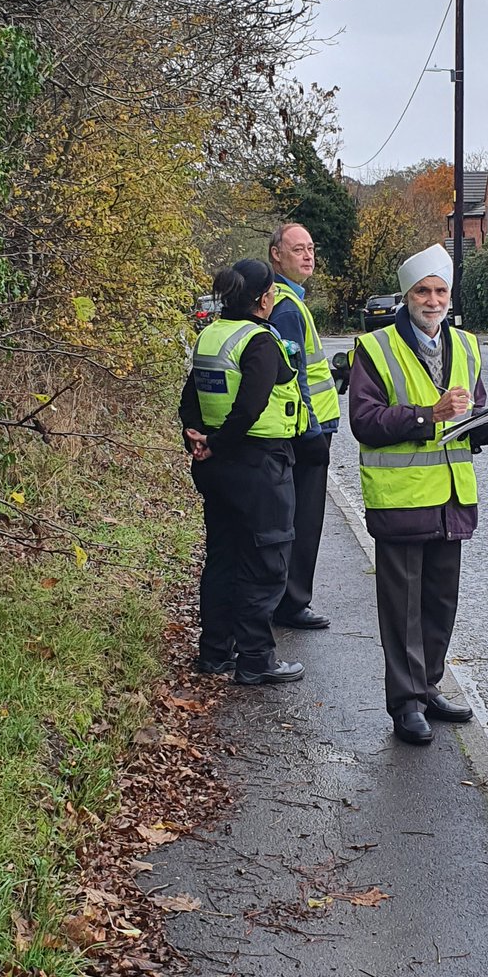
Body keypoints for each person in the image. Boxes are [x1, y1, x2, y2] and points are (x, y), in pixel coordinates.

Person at [348, 244, 488, 745]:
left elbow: (471, 407)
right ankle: (406, 701)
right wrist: (427, 414)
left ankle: (429, 685)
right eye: (422, 292)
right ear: (406, 296)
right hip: (400, 497)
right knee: (401, 604)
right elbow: (364, 423)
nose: (432, 300)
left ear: (449, 297)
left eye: (439, 291)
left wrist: (482, 424)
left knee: (440, 600)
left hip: (451, 496)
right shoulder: (374, 349)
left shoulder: (469, 345)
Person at [179, 259, 308, 685]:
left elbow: (190, 399)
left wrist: (197, 439)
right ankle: (256, 659)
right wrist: (216, 442)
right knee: (265, 561)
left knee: (224, 556)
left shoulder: (211, 336)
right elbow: (250, 408)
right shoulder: (260, 342)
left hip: (218, 469)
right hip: (259, 466)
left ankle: (216, 651)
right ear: (264, 297)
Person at [268, 222, 339, 630]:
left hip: (300, 426)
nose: (308, 256)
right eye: (298, 249)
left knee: (292, 517)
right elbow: (293, 374)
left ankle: (286, 598)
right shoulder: (287, 305)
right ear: (277, 254)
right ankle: (293, 603)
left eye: (311, 248)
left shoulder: (288, 299)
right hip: (305, 431)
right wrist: (312, 433)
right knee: (303, 520)